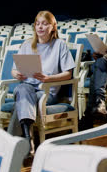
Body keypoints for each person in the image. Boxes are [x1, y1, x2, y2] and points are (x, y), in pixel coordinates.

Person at [8, 10, 75, 149]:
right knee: (22, 88)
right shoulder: (27, 44)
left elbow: (68, 74)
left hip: (47, 92)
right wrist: (17, 75)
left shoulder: (59, 45)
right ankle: (27, 138)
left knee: (21, 101)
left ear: (53, 27)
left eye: (44, 24)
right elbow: (14, 70)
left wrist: (49, 78)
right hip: (26, 87)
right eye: (37, 24)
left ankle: (22, 141)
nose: (40, 27)